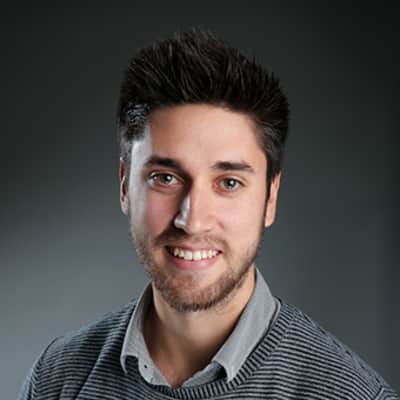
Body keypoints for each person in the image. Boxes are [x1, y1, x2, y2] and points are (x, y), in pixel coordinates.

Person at [18, 28, 398, 400]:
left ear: (270, 198)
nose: (192, 220)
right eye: (165, 178)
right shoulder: (58, 379)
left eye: (229, 182)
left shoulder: (353, 395)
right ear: (124, 186)